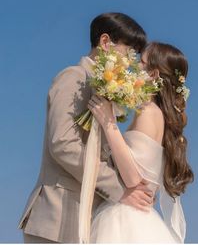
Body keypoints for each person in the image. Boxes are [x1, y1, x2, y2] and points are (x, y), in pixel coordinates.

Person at [17, 13, 157, 243]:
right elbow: (63, 144)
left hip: (86, 220)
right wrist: (119, 190)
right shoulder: (74, 77)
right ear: (105, 42)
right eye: (130, 51)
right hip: (57, 219)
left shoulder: (106, 89)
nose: (132, 62)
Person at [88, 41, 194, 243]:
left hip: (125, 219)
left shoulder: (148, 113)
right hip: (139, 217)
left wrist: (108, 122)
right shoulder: (154, 113)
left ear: (153, 75)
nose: (133, 67)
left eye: (141, 63)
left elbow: (133, 179)